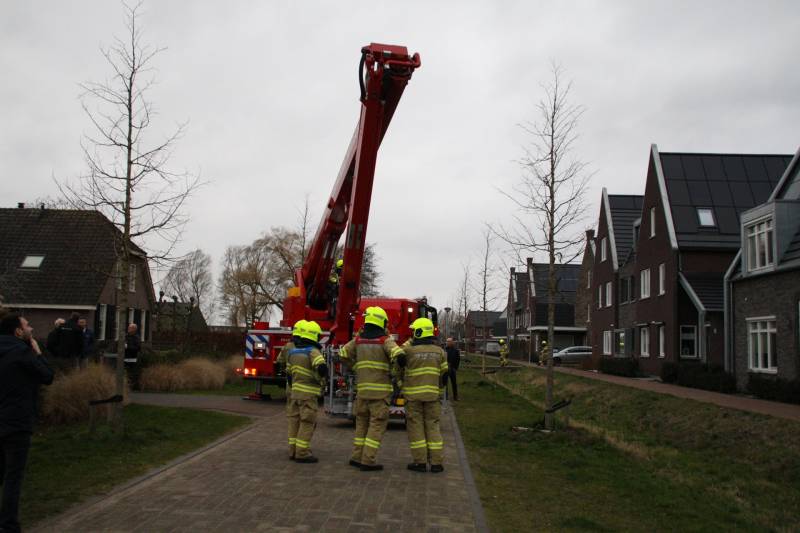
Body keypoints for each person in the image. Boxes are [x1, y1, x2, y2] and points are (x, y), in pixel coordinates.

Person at [0, 314, 54, 533]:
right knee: (13, 476)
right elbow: (47, 376)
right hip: (16, 422)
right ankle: (8, 525)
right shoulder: (23, 353)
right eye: (27, 325)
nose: (31, 327)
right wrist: (38, 353)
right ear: (18, 332)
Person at [339, 306, 405, 472]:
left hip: (362, 392)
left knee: (361, 425)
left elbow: (342, 354)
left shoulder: (358, 340)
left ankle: (356, 457)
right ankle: (368, 460)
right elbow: (398, 354)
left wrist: (355, 367)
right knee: (376, 426)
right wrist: (397, 370)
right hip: (380, 393)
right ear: (381, 321)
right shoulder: (385, 340)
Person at [402, 317, 449, 473]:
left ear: (419, 332)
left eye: (415, 331)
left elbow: (398, 364)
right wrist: (438, 391)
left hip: (413, 398)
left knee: (416, 429)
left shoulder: (408, 351)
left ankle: (420, 462)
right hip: (432, 397)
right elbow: (444, 376)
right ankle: (436, 463)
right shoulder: (440, 352)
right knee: (433, 428)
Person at [285, 320, 327, 463]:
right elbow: (322, 368)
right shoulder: (313, 351)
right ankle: (302, 453)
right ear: (314, 335)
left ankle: (293, 450)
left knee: (294, 421)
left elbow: (289, 374)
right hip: (308, 395)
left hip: (295, 393)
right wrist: (321, 380)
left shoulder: (292, 352)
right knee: (307, 422)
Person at [276, 320, 306, 401]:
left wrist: (284, 369)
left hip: (291, 383)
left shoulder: (288, 346)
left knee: (292, 409)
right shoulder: (312, 348)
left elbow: (279, 360)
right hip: (307, 387)